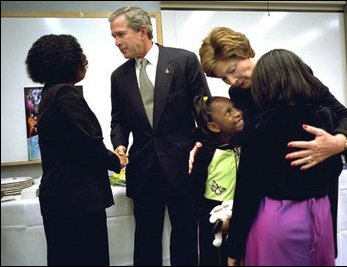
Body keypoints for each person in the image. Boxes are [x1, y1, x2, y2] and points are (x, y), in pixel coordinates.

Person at [196, 26, 347, 259]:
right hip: (270, 198)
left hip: (315, 190)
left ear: (244, 51)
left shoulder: (291, 75)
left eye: (232, 70)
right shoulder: (240, 94)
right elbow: (253, 146)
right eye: (224, 78)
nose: (232, 80)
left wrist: (339, 142)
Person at [226, 49, 347, 266]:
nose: (230, 81)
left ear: (264, 85)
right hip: (320, 216)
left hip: (278, 220)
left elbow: (247, 191)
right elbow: (335, 169)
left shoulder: (261, 129)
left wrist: (234, 249)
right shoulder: (324, 122)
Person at [108, 6, 211, 266]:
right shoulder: (118, 76)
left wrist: (203, 145)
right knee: (146, 237)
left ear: (143, 31)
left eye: (121, 35)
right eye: (114, 38)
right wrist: (119, 144)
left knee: (186, 234)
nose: (117, 42)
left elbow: (204, 110)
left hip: (182, 165)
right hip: (143, 169)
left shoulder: (183, 61)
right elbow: (118, 119)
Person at [25, 34, 123, 266]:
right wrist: (116, 160)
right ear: (66, 62)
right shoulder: (64, 95)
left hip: (62, 200)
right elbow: (87, 144)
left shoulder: (49, 94)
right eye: (80, 57)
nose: (84, 62)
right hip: (77, 202)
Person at [191, 95, 244, 266]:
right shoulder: (205, 153)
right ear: (214, 126)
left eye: (235, 108)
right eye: (229, 113)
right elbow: (195, 190)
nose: (237, 114)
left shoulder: (242, 143)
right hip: (214, 213)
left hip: (239, 209)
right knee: (214, 258)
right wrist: (212, 221)